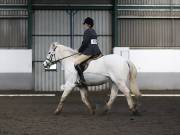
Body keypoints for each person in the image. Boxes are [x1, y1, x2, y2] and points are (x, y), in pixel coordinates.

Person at [74, 17, 102, 85]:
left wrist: (79, 50)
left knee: (76, 62)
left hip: (90, 51)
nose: (84, 26)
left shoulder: (87, 31)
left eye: (85, 24)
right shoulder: (94, 31)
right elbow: (93, 42)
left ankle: (82, 80)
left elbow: (85, 43)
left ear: (88, 25)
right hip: (97, 51)